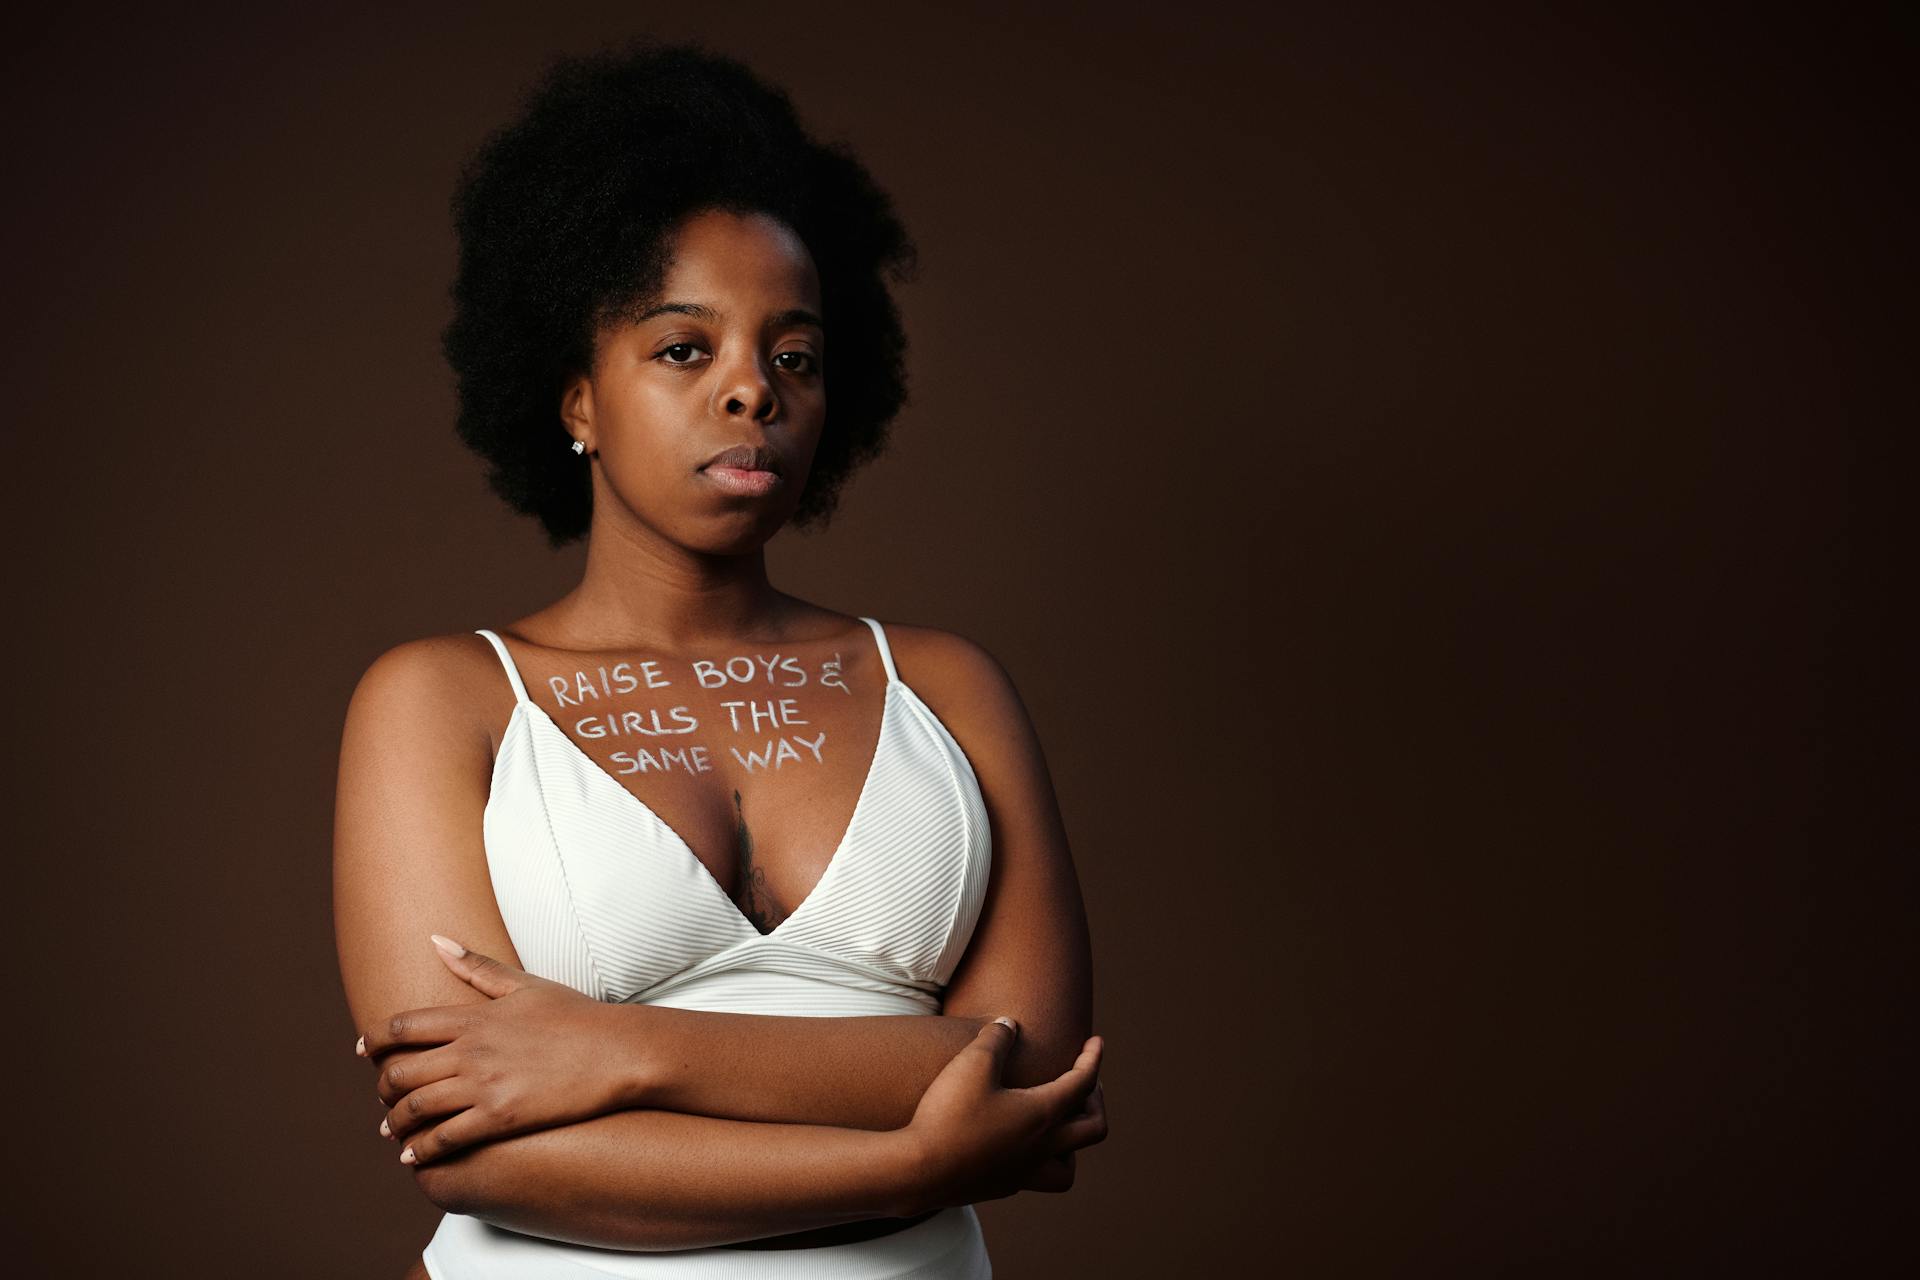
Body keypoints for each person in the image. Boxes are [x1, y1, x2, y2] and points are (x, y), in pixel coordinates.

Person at [331, 37, 1106, 1279]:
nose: (754, 390)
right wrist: (912, 1158)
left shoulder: (945, 688)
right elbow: (479, 1151)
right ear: (577, 398)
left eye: (792, 355)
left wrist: (630, 1049)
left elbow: (1038, 1074)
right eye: (685, 348)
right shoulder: (441, 700)